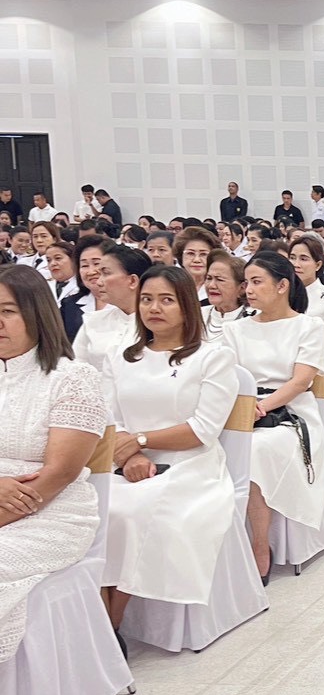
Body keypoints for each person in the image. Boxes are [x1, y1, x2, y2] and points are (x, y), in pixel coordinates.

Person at [101, 266, 239, 632]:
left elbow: (202, 429)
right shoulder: (120, 356)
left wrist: (141, 441)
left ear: (187, 306)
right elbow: (109, 419)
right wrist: (131, 453)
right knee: (95, 508)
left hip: (189, 464)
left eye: (166, 300)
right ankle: (97, 616)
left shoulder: (212, 357)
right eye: (146, 299)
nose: (154, 308)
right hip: (123, 461)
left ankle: (111, 622)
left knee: (134, 511)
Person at [0, 265, 108, 665]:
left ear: (36, 313)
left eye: (8, 311)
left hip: (54, 512)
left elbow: (58, 474)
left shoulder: (73, 378)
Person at [221, 252, 324, 582]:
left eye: (257, 282)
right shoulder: (234, 329)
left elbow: (300, 381)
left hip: (291, 413)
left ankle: (259, 546)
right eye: (246, 283)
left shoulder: (308, 326)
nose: (249, 290)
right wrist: (244, 409)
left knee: (254, 450)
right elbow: (225, 378)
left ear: (282, 286)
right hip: (242, 409)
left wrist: (262, 408)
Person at [71, 245, 148, 371]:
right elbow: (75, 368)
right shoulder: (93, 321)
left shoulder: (155, 324)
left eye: (106, 273)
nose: (99, 282)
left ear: (133, 281)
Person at [288, 236, 324, 320]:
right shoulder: (280, 295)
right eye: (292, 258)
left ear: (318, 265)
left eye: (303, 259)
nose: (296, 264)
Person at [203, 249, 251, 341]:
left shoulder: (253, 319)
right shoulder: (197, 315)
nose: (211, 285)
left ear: (242, 288)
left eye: (220, 279)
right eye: (209, 278)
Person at [44, 243, 88, 340]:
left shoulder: (84, 287)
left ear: (73, 260)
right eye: (48, 260)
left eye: (58, 258)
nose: (53, 263)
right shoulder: (44, 286)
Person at [174, 226, 222, 303]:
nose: (197, 260)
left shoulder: (221, 288)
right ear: (181, 256)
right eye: (190, 253)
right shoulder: (171, 286)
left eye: (203, 254)